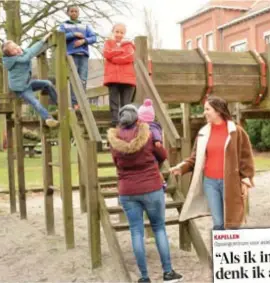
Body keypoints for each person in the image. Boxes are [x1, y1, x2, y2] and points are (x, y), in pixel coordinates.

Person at [107, 104, 183, 283]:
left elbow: (116, 163)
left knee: (136, 232)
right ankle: (168, 272)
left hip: (127, 190)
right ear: (137, 118)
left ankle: (144, 277)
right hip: (151, 187)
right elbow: (162, 155)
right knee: (159, 228)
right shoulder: (148, 135)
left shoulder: (114, 140)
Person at [170, 96, 254, 230]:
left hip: (230, 183)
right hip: (210, 183)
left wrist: (246, 179)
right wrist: (182, 167)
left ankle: (233, 250)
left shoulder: (236, 132)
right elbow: (195, 158)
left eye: (207, 109)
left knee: (232, 223)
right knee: (218, 223)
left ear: (218, 111)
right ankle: (220, 250)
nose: (205, 113)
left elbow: (246, 157)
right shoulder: (203, 132)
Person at [2, 32, 59, 128]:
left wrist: (43, 40)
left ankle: (59, 104)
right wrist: (41, 42)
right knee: (35, 102)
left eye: (16, 46)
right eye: (13, 50)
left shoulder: (22, 53)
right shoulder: (16, 60)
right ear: (11, 55)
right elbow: (30, 54)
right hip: (21, 88)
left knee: (48, 83)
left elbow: (31, 49)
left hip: (28, 83)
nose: (17, 49)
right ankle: (48, 118)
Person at [58, 4, 97, 108]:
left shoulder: (85, 25)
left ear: (78, 13)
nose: (74, 13)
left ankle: (82, 101)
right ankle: (74, 103)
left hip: (83, 54)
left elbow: (94, 37)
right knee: (73, 79)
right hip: (71, 55)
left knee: (83, 78)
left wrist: (84, 40)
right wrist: (74, 34)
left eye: (76, 11)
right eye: (72, 11)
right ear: (68, 13)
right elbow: (59, 37)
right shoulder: (64, 25)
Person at [103, 23, 136, 127]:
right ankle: (115, 121)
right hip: (113, 77)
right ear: (112, 32)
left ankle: (126, 121)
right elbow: (106, 53)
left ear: (124, 34)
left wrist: (114, 58)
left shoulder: (129, 45)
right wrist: (120, 51)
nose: (119, 34)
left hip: (127, 78)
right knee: (114, 101)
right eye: (117, 31)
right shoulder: (108, 43)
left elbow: (129, 57)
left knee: (126, 102)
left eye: (122, 32)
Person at [137, 98, 167, 191]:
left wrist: (158, 140)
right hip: (150, 153)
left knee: (156, 170)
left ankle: (163, 183)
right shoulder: (146, 126)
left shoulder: (151, 126)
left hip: (153, 154)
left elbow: (156, 133)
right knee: (155, 170)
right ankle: (161, 182)